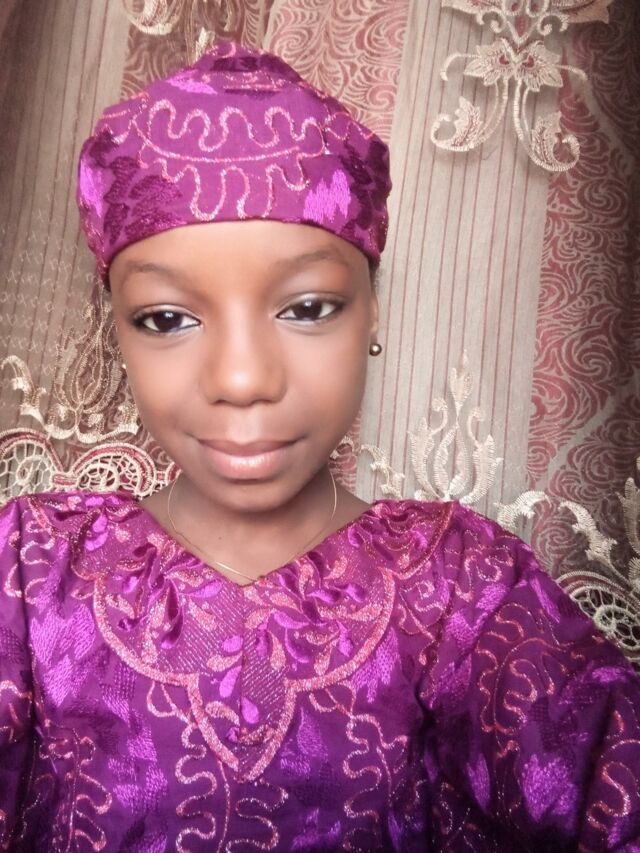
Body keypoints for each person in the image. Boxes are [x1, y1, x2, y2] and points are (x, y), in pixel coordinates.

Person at [0, 41, 638, 853]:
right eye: (166, 318)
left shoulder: (464, 589)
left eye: (306, 308)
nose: (241, 379)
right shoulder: (34, 570)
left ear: (373, 311)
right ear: (118, 332)